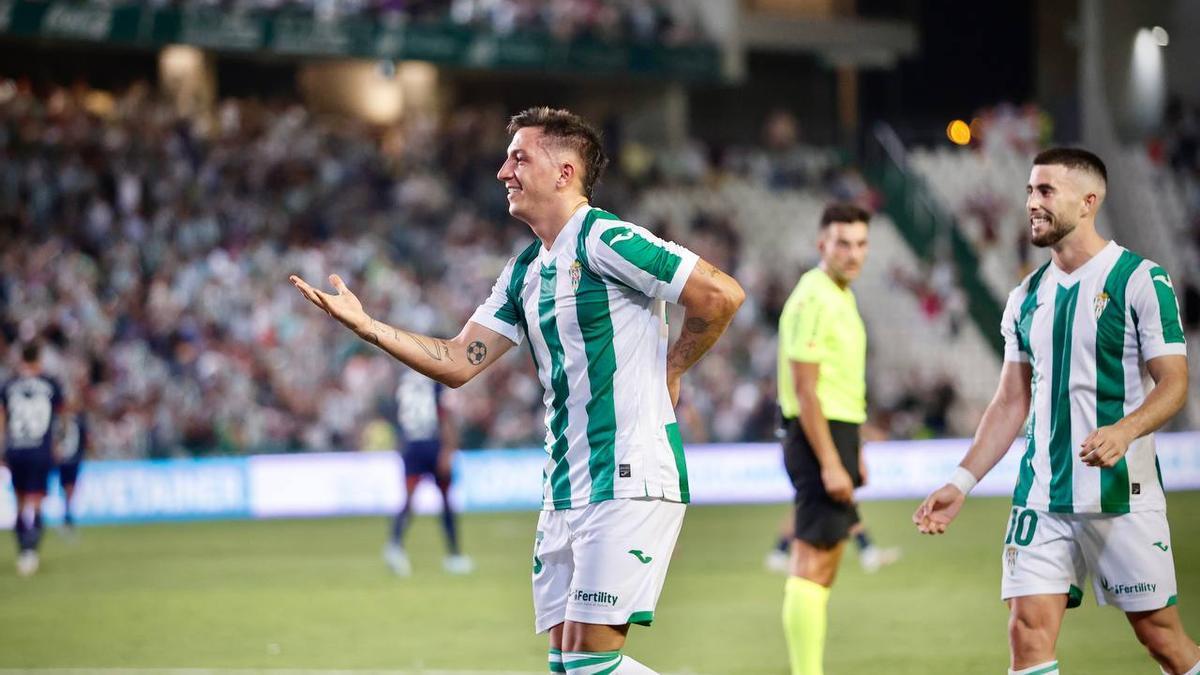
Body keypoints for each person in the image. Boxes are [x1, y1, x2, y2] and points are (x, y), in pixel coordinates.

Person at [290, 106, 744, 674]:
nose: (504, 171)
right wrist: (369, 327)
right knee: (564, 667)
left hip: (627, 474)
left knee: (588, 667)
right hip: (564, 484)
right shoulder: (526, 269)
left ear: (565, 171)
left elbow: (720, 295)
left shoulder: (607, 239)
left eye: (519, 157)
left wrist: (672, 369)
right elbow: (458, 361)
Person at [914, 148, 1199, 675]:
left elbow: (1175, 382)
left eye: (1045, 191)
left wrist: (1126, 429)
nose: (1031, 203)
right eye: (1028, 191)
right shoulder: (1025, 297)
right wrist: (961, 481)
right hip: (1041, 495)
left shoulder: (1140, 280)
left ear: (1089, 201)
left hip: (1121, 495)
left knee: (1162, 640)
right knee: (1027, 633)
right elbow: (1009, 402)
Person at [775, 202, 879, 675]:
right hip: (816, 431)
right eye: (843, 243)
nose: (853, 253)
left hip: (838, 431)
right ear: (822, 244)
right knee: (812, 562)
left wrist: (851, 452)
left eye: (860, 244)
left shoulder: (841, 294)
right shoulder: (813, 296)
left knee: (826, 563)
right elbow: (805, 391)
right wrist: (832, 460)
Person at [383, 369, 472, 576]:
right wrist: (449, 449)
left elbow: (396, 414)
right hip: (433, 444)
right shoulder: (436, 378)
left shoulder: (403, 378)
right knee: (445, 499)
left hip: (410, 445)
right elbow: (444, 413)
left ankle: (394, 545)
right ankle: (454, 556)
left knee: (410, 498)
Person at [0, 343, 64, 576]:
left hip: (15, 449)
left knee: (18, 503)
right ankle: (31, 552)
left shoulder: (9, 385)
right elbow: (61, 416)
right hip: (40, 450)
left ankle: (22, 551)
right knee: (36, 502)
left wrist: (2, 448)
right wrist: (58, 444)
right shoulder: (51, 384)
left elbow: (2, 419)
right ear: (40, 357)